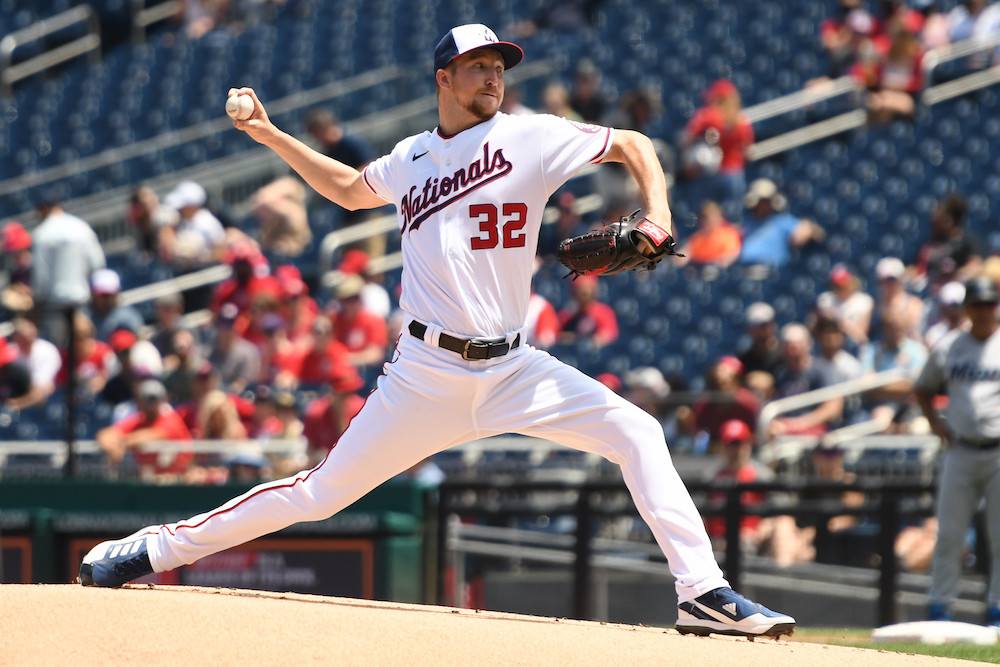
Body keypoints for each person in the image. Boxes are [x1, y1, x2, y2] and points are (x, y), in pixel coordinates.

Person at [78, 23, 795, 639]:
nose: (494, 76)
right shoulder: (411, 158)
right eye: (479, 66)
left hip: (517, 369)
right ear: (444, 77)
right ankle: (152, 549)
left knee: (636, 431)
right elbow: (346, 190)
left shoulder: (532, 137)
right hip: (425, 374)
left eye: (500, 66)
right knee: (317, 493)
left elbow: (635, 143)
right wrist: (268, 133)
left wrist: (659, 214)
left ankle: (701, 593)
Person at [914, 276, 1000, 626]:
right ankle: (940, 605)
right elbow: (922, 388)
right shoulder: (950, 346)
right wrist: (936, 424)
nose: (983, 311)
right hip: (961, 449)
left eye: (989, 304)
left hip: (998, 451)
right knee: (949, 531)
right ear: (966, 309)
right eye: (977, 305)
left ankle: (997, 608)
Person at [30, 193, 106, 347]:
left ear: (43, 209)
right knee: (83, 346)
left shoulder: (42, 233)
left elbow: (41, 278)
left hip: (53, 304)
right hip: (81, 299)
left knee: (61, 351)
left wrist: (36, 302)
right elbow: (98, 263)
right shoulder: (81, 227)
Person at [677, 80, 754, 221]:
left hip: (710, 175)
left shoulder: (708, 115)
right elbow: (748, 151)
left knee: (707, 219)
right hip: (735, 175)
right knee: (733, 220)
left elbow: (685, 138)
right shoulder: (742, 119)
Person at [95, 378, 193, 479]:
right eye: (146, 398)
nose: (150, 403)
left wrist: (122, 443)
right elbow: (106, 434)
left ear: (163, 399)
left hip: (180, 479)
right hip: (150, 481)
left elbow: (154, 435)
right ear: (138, 400)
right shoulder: (139, 419)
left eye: (154, 399)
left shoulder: (171, 418)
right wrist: (112, 447)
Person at [906, 194, 985, 296]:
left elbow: (975, 266)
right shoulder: (928, 245)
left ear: (949, 220)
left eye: (938, 218)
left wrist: (954, 277)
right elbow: (914, 269)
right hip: (930, 295)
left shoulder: (967, 241)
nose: (933, 221)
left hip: (957, 294)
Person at [738, 179, 826, 269]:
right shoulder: (745, 221)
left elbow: (818, 233)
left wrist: (808, 228)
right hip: (746, 269)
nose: (763, 204)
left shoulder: (782, 221)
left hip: (772, 270)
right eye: (760, 200)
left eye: (766, 201)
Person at [813, 262, 874, 348]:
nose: (839, 287)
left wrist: (837, 319)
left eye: (843, 284)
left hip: (853, 348)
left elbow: (862, 338)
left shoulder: (863, 301)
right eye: (836, 285)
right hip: (828, 349)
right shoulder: (825, 299)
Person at [673, 199, 742, 268]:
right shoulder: (697, 238)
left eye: (713, 220)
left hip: (720, 272)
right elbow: (685, 254)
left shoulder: (729, 235)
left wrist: (716, 264)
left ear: (720, 219)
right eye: (707, 220)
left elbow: (731, 255)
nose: (710, 224)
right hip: (698, 269)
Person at [557, 274, 619, 349]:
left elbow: (608, 336)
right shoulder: (566, 315)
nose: (585, 294)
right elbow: (557, 337)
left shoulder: (604, 312)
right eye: (581, 290)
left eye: (588, 289)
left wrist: (589, 340)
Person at [88, 269, 145, 343]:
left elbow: (140, 341)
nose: (106, 300)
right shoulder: (84, 317)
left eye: (109, 295)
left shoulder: (129, 317)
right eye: (102, 295)